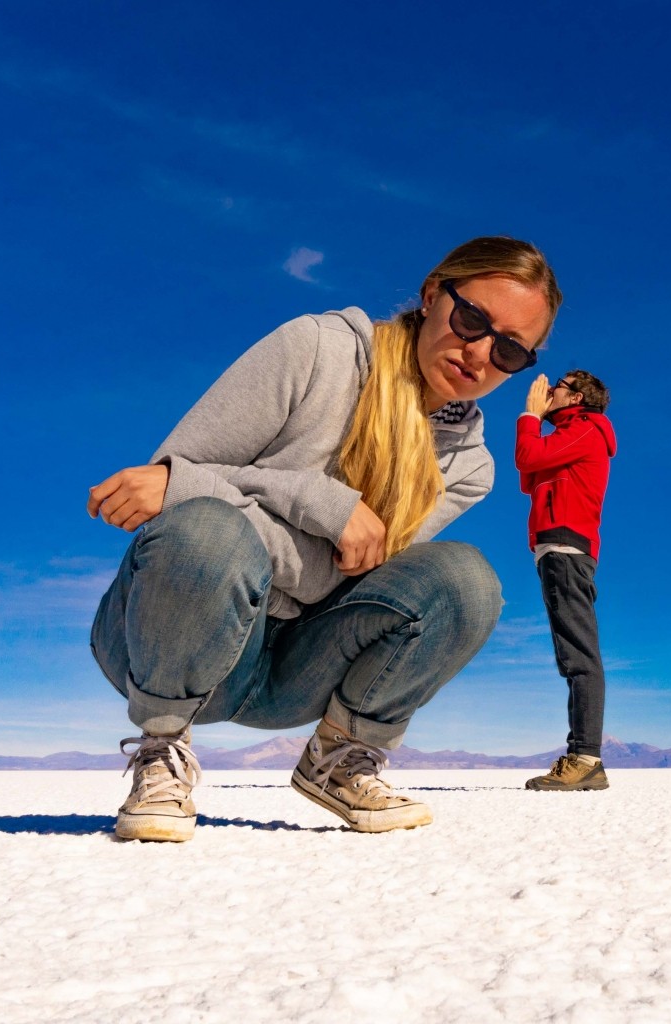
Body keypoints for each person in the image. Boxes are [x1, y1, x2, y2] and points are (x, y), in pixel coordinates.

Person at [87, 236, 563, 841]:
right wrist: (323, 505)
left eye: (510, 350)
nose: (479, 353)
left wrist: (289, 527)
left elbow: (343, 575)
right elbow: (171, 501)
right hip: (165, 645)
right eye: (472, 319)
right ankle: (160, 750)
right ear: (432, 294)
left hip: (293, 670)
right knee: (207, 530)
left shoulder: (470, 469)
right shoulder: (317, 350)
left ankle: (341, 756)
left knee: (466, 581)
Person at [515, 370, 617, 792]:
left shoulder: (585, 430)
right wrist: (538, 424)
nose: (549, 388)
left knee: (578, 654)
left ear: (577, 397)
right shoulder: (570, 434)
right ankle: (585, 757)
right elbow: (530, 478)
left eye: (559, 384)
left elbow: (527, 459)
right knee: (574, 651)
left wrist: (528, 416)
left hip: (566, 547)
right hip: (557, 548)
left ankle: (586, 758)